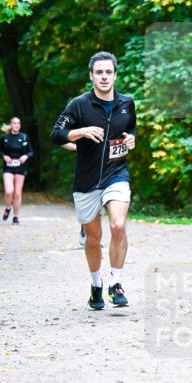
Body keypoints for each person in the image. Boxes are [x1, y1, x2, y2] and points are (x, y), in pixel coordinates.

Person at [51, 51, 136, 310]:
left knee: (118, 224)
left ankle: (116, 283)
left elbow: (130, 130)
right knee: (93, 238)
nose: (104, 77)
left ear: (115, 75)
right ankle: (96, 285)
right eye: (99, 72)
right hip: (86, 180)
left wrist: (131, 140)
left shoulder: (126, 103)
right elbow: (56, 134)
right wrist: (80, 132)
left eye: (108, 72)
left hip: (116, 174)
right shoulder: (78, 105)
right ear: (91, 75)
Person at [62, 141, 103, 248]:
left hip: (106, 172)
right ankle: (85, 234)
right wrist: (78, 147)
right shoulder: (84, 128)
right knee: (89, 207)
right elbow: (61, 140)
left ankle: (95, 237)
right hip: (87, 172)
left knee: (100, 207)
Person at [0, 117, 33, 224]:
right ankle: (8, 207)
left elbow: (31, 151)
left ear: (20, 125)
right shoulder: (5, 138)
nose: (16, 125)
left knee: (17, 193)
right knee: (9, 191)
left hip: (20, 167)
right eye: (14, 123)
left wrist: (26, 156)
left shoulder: (24, 137)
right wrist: (4, 156)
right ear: (11, 125)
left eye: (18, 123)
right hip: (8, 167)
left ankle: (16, 217)